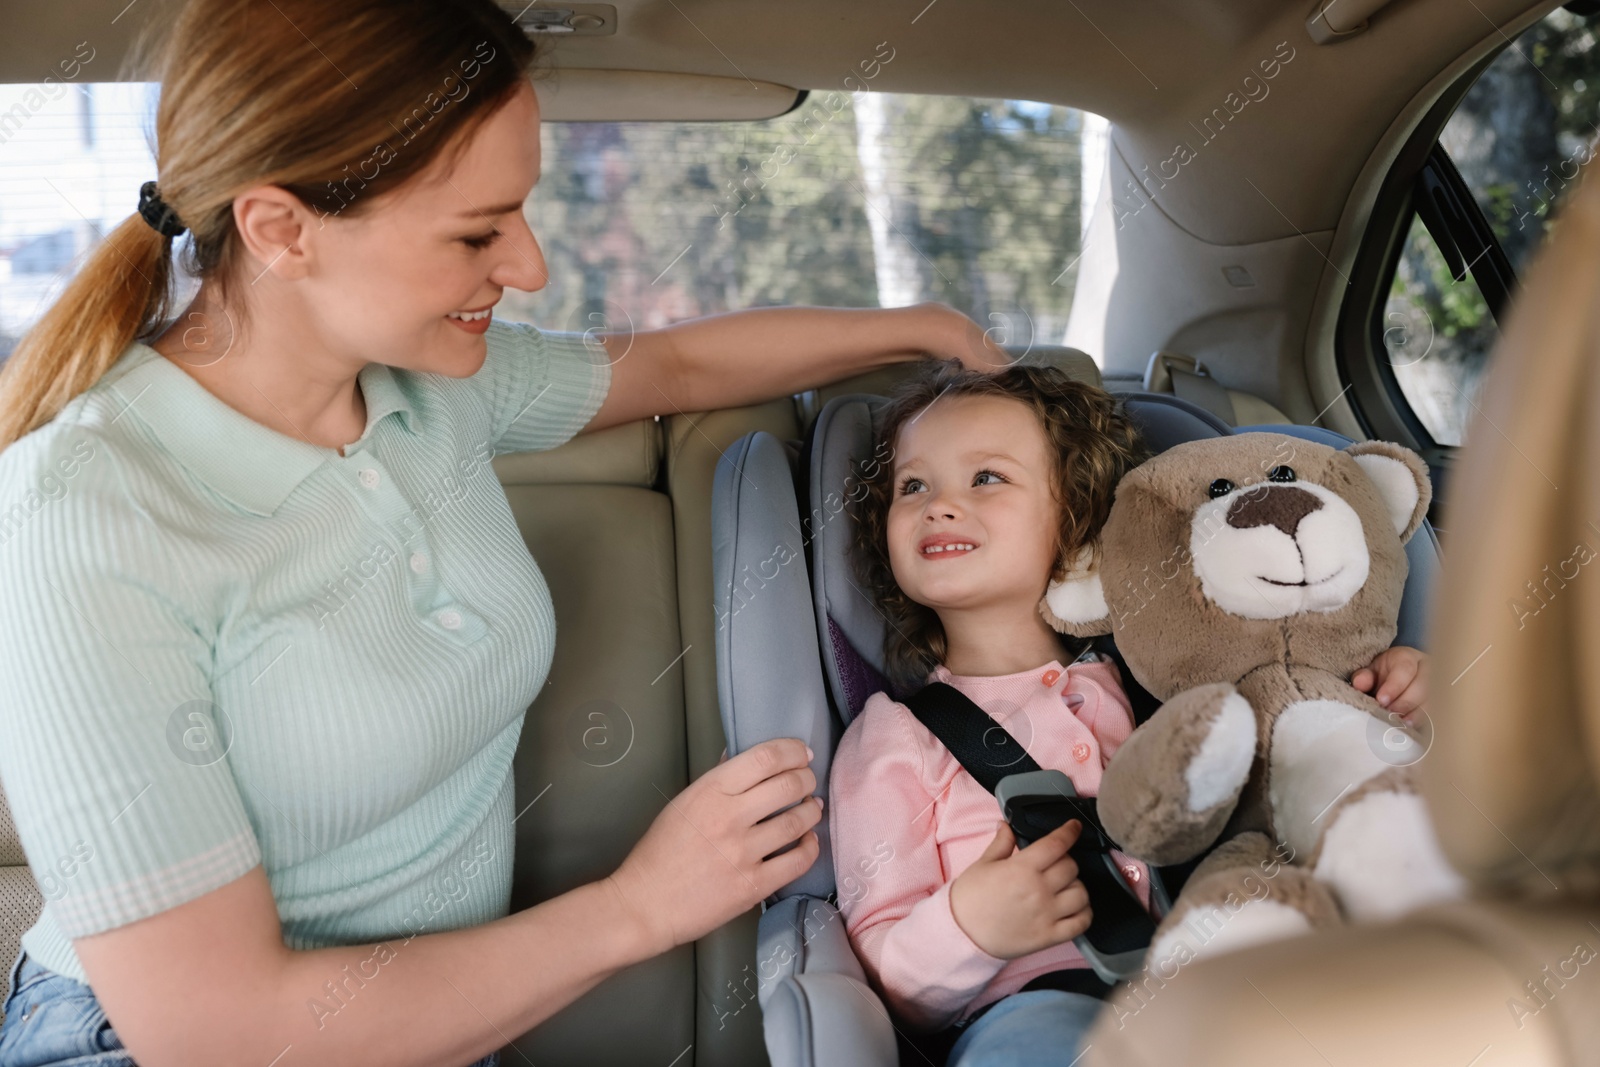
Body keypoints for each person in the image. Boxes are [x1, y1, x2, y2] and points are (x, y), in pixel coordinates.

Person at [0, 2, 1014, 1065]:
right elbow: (222, 1031)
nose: (528, 265)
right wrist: (638, 906)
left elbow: (674, 367)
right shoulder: (80, 515)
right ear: (281, 229)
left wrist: (918, 328)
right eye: (477, 231)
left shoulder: (435, 387)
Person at [828, 360, 1430, 1066]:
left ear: (1077, 524)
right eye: (912, 485)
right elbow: (876, 978)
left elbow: (1289, 725)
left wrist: (1388, 689)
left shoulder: (1155, 679)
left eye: (986, 477)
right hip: (1030, 1007)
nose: (939, 504)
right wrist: (971, 925)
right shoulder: (894, 737)